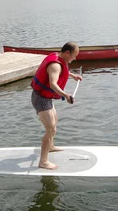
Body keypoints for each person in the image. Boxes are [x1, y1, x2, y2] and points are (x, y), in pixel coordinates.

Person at [30, 42, 83, 170]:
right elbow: (53, 84)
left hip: (46, 98)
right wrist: (66, 95)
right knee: (50, 129)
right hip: (41, 99)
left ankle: (51, 147)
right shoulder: (55, 65)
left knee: (54, 125)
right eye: (74, 56)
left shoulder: (58, 58)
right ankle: (43, 161)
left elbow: (59, 72)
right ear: (67, 53)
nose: (74, 59)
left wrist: (73, 76)